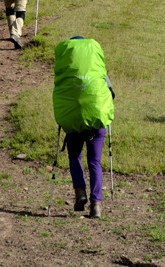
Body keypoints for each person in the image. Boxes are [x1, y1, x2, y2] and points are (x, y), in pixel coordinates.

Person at [53, 36, 115, 219]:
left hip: (74, 122)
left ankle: (80, 192)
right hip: (96, 122)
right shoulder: (98, 70)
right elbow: (111, 93)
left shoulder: (66, 72)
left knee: (74, 157)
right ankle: (96, 205)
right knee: (95, 162)